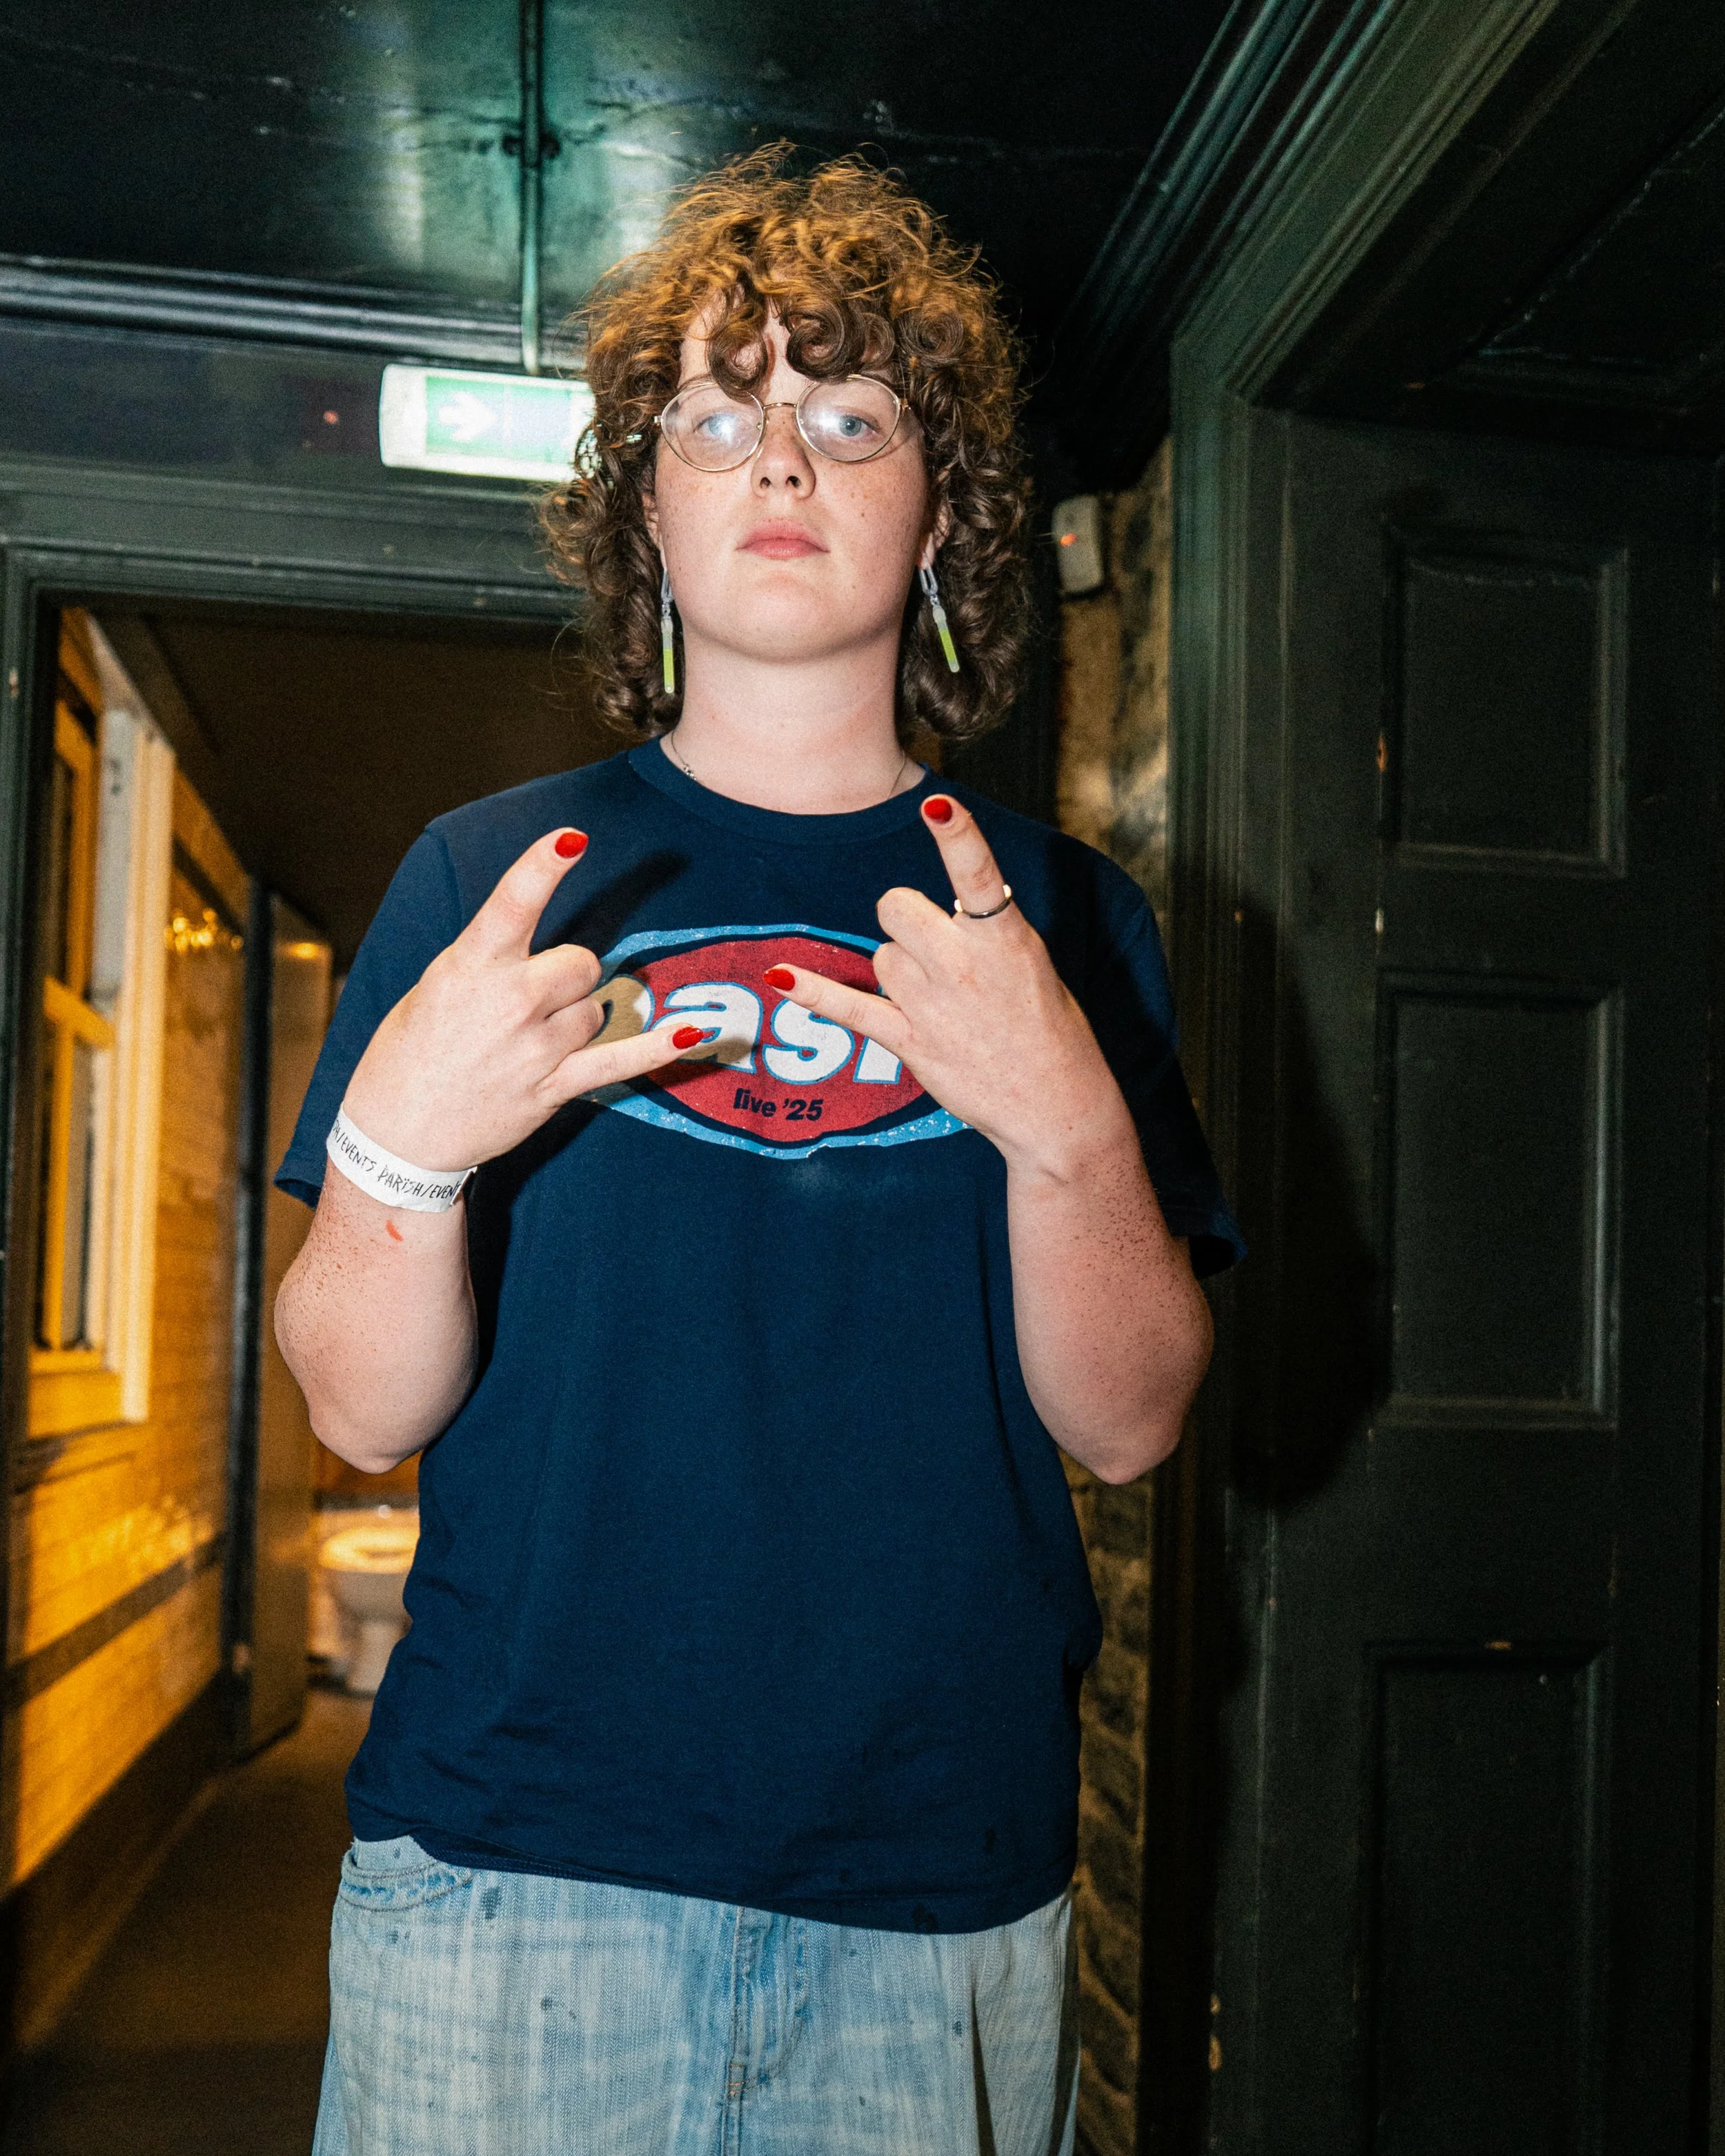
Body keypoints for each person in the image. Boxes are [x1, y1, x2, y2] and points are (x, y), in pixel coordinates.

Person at [275, 146, 1243, 2156]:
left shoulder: (1067, 923)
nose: (778, 461)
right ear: (646, 508)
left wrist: (1066, 1130)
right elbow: (361, 1405)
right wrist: (399, 1149)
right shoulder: (486, 881)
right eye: (716, 417)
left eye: (847, 416)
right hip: (508, 1868)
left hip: (934, 1880)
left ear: (941, 508)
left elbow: (1137, 1418)